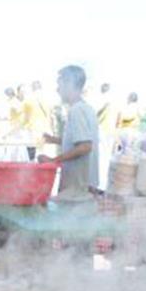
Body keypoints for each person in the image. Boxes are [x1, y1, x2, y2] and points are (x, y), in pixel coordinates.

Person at [38, 66, 100, 195]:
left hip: (77, 188)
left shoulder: (77, 110)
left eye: (59, 84)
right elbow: (79, 141)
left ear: (69, 83)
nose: (57, 89)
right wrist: (53, 140)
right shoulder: (87, 108)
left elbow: (85, 146)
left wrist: (53, 160)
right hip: (84, 185)